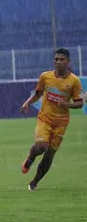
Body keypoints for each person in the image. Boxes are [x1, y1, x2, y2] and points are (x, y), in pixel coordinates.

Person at [20, 48, 83, 191]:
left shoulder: (74, 81)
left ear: (68, 62)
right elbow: (37, 94)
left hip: (61, 122)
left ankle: (34, 182)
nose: (59, 62)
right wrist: (27, 103)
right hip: (45, 118)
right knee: (41, 147)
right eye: (56, 59)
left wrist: (67, 104)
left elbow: (80, 103)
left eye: (62, 59)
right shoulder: (45, 76)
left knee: (50, 153)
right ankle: (29, 160)